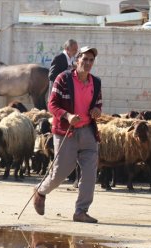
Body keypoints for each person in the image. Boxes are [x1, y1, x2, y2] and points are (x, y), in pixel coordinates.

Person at [34, 46, 102, 223]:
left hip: (88, 131)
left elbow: (98, 104)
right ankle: (41, 191)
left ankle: (81, 211)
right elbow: (52, 104)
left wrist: (96, 110)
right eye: (84, 59)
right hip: (67, 132)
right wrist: (68, 115)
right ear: (77, 60)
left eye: (91, 60)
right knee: (60, 173)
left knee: (89, 174)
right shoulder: (63, 79)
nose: (87, 63)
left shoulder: (96, 82)